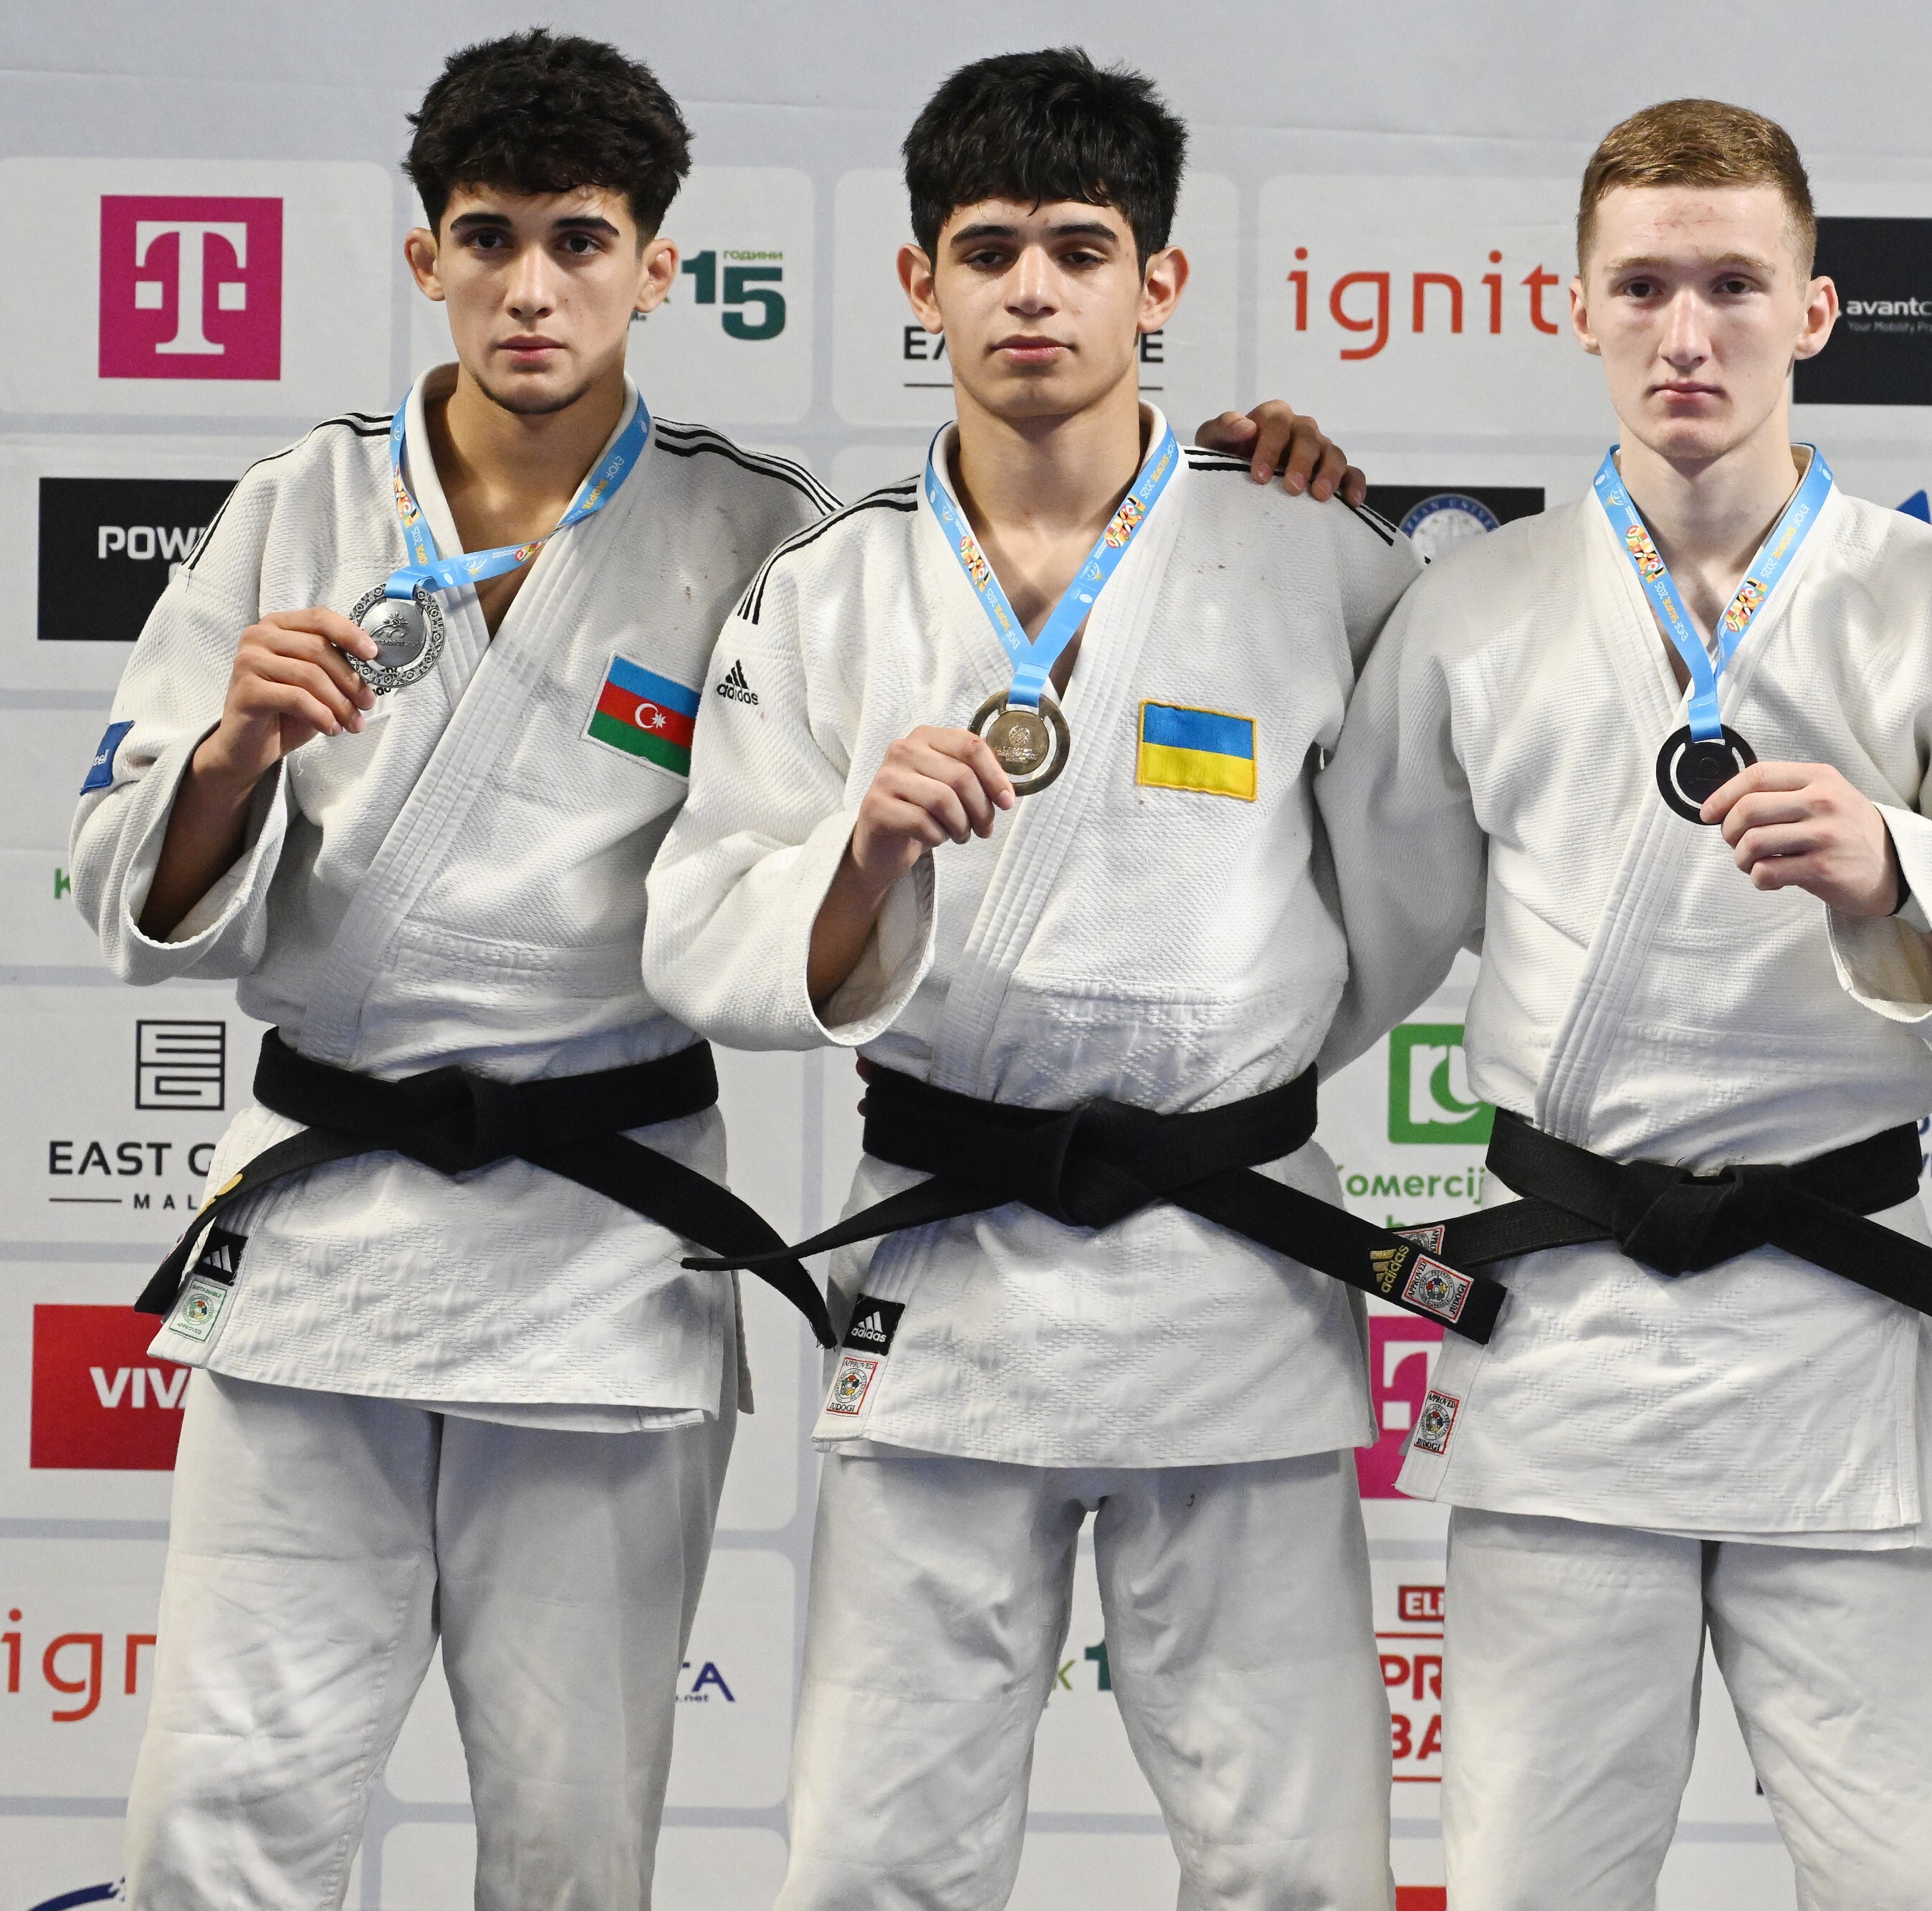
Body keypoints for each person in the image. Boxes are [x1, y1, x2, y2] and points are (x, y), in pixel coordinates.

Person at [70, 31, 1355, 1910]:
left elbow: (1077, 619)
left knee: (577, 1842)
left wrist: (1245, 477)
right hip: (321, 1241)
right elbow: (122, 886)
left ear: (656, 267)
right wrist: (232, 753)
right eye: (487, 238)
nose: (531, 288)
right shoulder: (293, 511)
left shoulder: (762, 536)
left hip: (599, 1254)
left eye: (580, 241)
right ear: (422, 255)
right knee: (215, 1818)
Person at [1316, 99, 1932, 1910]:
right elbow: (1339, 943)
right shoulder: (1474, 609)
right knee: (1530, 1882)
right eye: (1641, 287)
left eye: (1731, 285)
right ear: (1575, 308)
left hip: (1831, 1333)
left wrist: (1896, 871)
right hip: (1568, 1335)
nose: (1684, 333)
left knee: (1926, 1886)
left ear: (1815, 311)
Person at [642, 49, 1435, 1911]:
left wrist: (1245, 1050)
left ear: (1160, 280)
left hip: (1230, 1273)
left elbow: (1417, 881)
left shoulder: (1315, 554)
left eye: (1080, 249)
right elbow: (699, 925)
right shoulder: (828, 591)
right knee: (871, 1861)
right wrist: (862, 858)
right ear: (916, 283)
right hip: (950, 1271)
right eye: (986, 250)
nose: (1030, 291)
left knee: (1298, 1865)